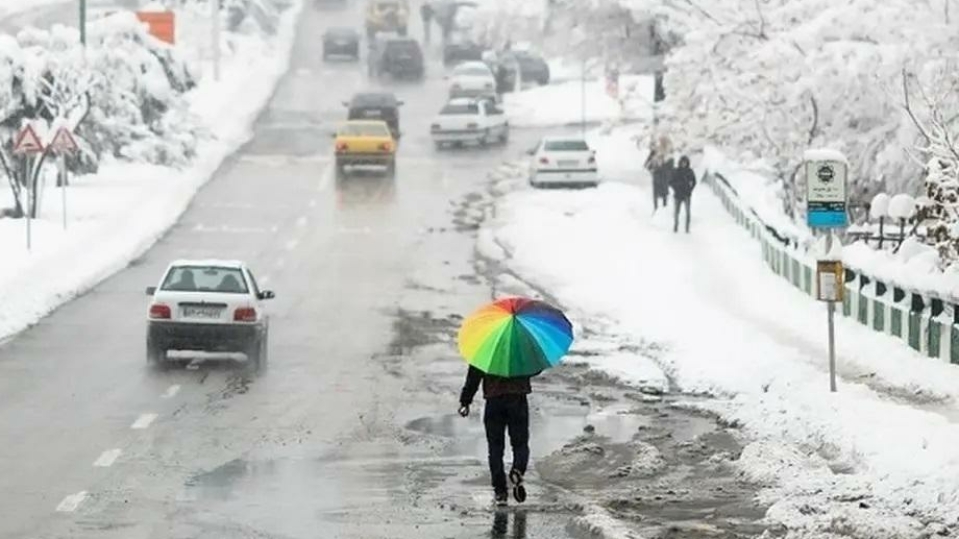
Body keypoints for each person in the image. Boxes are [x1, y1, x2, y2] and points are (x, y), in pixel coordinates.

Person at [459, 364, 539, 506]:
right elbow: (534, 368)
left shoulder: (487, 351)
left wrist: (465, 401)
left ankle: (500, 492)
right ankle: (518, 470)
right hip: (518, 400)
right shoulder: (520, 348)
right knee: (520, 444)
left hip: (494, 402)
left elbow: (474, 376)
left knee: (495, 449)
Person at [670, 155, 697, 233]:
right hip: (677, 194)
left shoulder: (690, 171)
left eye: (685, 163)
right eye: (682, 162)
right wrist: (676, 188)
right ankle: (675, 226)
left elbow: (694, 181)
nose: (684, 164)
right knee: (676, 212)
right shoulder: (676, 171)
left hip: (686, 194)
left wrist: (690, 189)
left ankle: (687, 228)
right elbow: (671, 182)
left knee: (688, 212)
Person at [644, 138, 671, 211]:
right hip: (656, 176)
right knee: (656, 194)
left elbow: (670, 166)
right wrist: (652, 170)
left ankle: (664, 209)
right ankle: (656, 209)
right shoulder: (653, 153)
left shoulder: (667, 154)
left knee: (664, 194)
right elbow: (646, 165)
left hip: (664, 177)